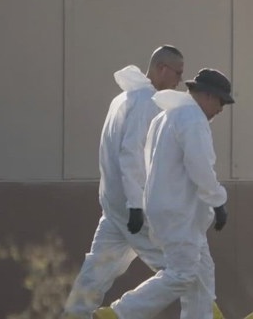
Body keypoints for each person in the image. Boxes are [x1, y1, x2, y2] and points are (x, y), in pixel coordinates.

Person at [95, 69, 235, 319]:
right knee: (182, 274)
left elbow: (150, 161)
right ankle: (119, 313)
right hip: (179, 212)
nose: (221, 109)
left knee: (201, 275)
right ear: (207, 95)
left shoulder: (167, 116)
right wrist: (219, 201)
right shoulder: (193, 119)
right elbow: (200, 167)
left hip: (172, 211)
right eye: (221, 101)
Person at [63, 45, 185, 318]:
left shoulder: (123, 99)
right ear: (161, 68)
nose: (179, 82)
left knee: (95, 273)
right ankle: (120, 314)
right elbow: (131, 155)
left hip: (115, 208)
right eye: (177, 73)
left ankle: (74, 315)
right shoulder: (146, 103)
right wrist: (136, 205)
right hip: (134, 207)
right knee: (182, 268)